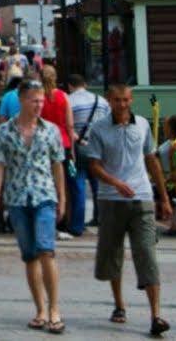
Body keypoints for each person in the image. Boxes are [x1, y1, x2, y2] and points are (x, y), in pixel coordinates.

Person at [82, 83, 173, 335]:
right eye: (117, 100)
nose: (122, 104)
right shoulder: (99, 128)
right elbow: (94, 165)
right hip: (111, 199)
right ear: (108, 101)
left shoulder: (142, 125)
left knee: (146, 252)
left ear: (131, 100)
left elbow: (151, 160)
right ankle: (119, 304)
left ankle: (156, 315)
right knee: (113, 253)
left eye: (125, 100)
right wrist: (115, 182)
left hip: (141, 197)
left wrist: (163, 197)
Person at [0, 76, 69, 333]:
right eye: (34, 101)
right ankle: (40, 309)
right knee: (30, 255)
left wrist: (62, 198)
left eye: (41, 101)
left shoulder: (51, 131)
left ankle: (55, 310)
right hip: (17, 198)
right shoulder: (4, 132)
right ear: (21, 100)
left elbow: (58, 165)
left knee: (47, 250)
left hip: (44, 196)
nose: (39, 105)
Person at [35, 66, 79, 239]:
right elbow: (69, 125)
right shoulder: (63, 96)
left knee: (44, 184)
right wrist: (73, 151)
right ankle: (63, 222)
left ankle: (45, 221)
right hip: (64, 144)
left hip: (43, 144)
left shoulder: (38, 98)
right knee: (65, 186)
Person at [67, 74, 106, 232]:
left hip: (77, 150)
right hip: (98, 150)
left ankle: (77, 226)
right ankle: (101, 220)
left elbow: (68, 127)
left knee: (78, 186)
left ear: (70, 86)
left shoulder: (69, 101)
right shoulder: (101, 101)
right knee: (99, 186)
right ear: (85, 84)